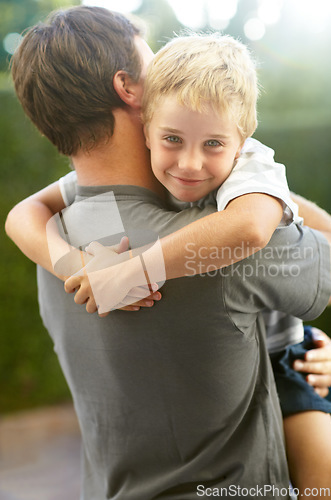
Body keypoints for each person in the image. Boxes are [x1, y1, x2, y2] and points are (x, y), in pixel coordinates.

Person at [5, 6, 331, 498]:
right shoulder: (219, 241)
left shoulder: (55, 239)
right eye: (153, 59)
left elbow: (23, 212)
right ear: (129, 88)